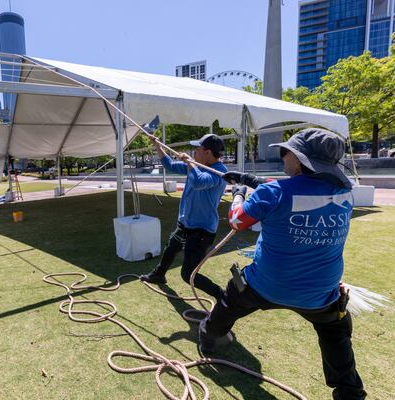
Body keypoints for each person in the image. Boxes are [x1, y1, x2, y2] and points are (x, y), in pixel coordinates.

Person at [200, 128, 366, 399]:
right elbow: (295, 189)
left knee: (228, 304)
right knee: (336, 335)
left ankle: (208, 339)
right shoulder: (345, 193)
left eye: (285, 152)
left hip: (265, 286)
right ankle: (350, 392)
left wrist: (239, 192)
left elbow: (236, 221)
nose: (282, 157)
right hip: (320, 294)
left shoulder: (273, 192)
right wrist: (248, 178)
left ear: (299, 160)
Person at [140, 133, 228, 302]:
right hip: (186, 223)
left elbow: (199, 182)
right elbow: (170, 165)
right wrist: (158, 145)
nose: (194, 152)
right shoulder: (196, 165)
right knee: (171, 247)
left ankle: (221, 295)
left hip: (202, 231)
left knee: (188, 274)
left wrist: (189, 164)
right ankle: (159, 275)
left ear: (207, 152)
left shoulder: (219, 172)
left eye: (197, 149)